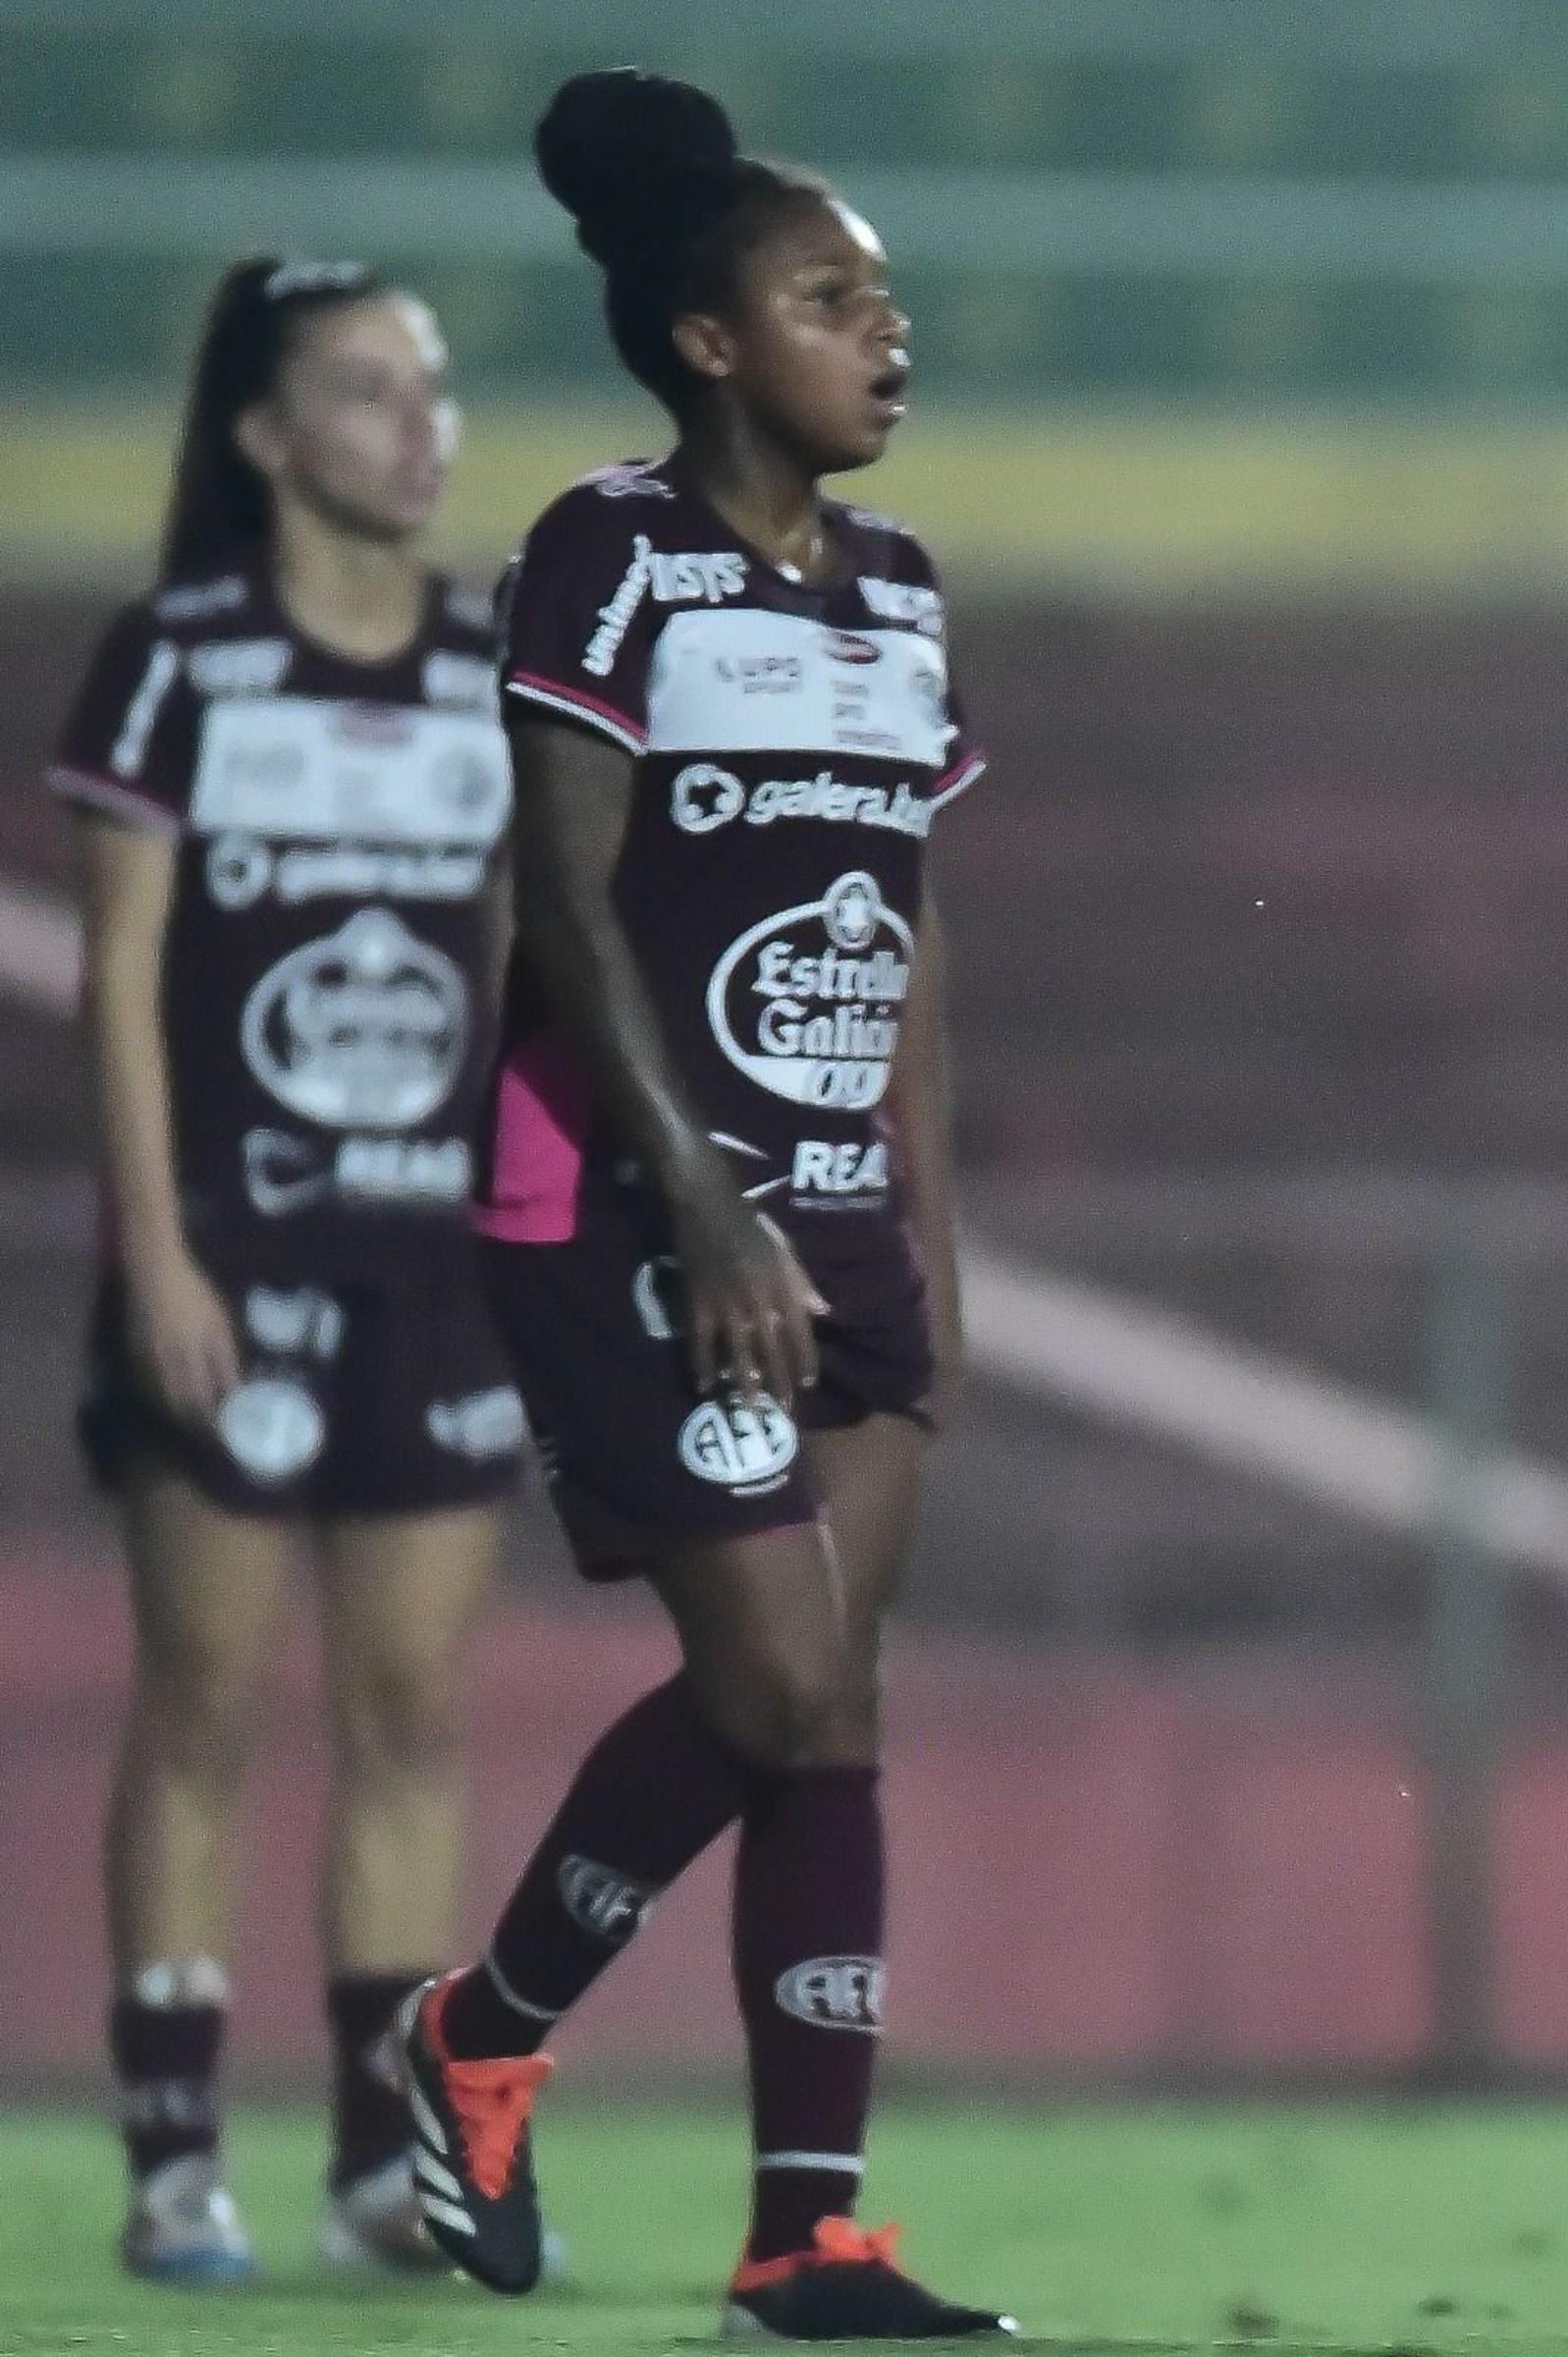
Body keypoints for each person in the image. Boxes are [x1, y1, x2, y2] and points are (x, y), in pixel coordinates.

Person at [382, 70, 1005, 2339]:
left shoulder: (909, 594)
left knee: (820, 1708)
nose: (886, 330)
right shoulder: (609, 549)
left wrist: (919, 1235)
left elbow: (905, 931)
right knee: (771, 1674)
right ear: (716, 340)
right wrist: (708, 1206)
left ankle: (799, 2236)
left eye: (889, 298)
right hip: (622, 1205)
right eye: (834, 297)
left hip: (840, 1221)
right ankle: (482, 2030)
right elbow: (554, 899)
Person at [48, 255, 520, 2285]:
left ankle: (370, 2166)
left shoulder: (494, 667)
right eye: (363, 391)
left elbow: (526, 973)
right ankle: (173, 2158)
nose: (417, 426)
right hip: (230, 1257)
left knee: (412, 1705)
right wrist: (154, 1249)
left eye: (428, 390)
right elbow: (125, 984)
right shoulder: (182, 663)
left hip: (433, 1260)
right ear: (264, 438)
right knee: (208, 1700)